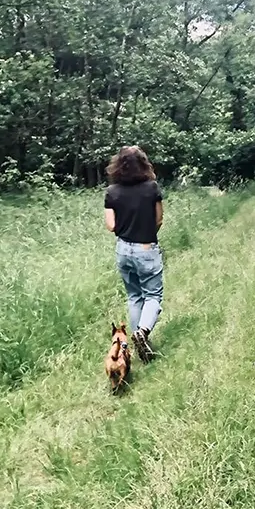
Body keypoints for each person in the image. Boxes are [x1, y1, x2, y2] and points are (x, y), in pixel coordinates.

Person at [103, 145, 164, 362]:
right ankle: (143, 332)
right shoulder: (151, 188)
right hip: (146, 247)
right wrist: (146, 233)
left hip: (123, 249)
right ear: (143, 164)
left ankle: (139, 343)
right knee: (153, 295)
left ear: (118, 166)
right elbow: (159, 219)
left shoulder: (112, 192)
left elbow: (111, 225)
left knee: (134, 296)